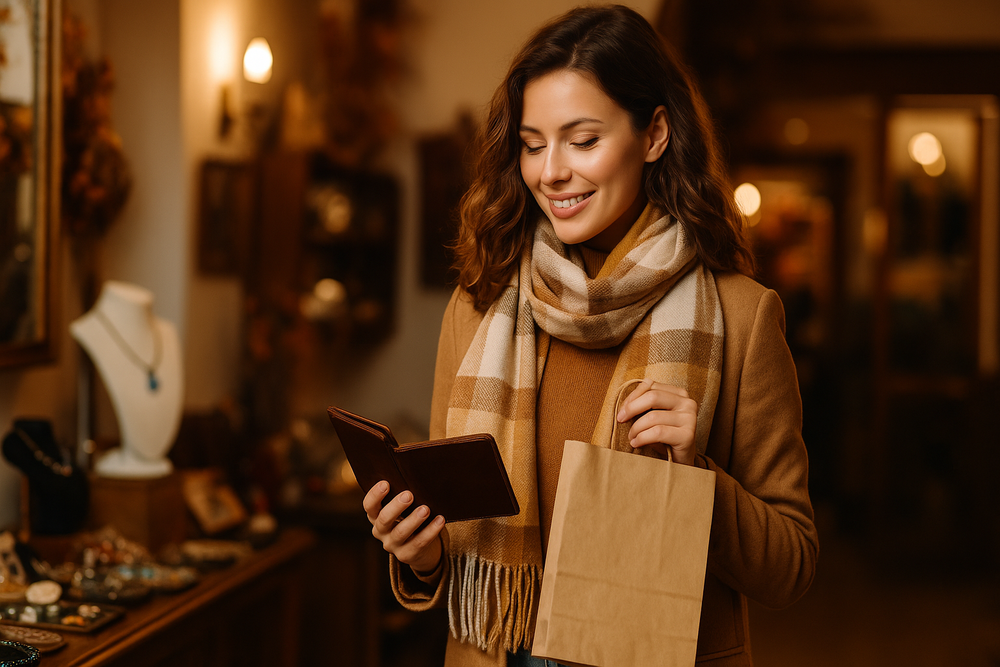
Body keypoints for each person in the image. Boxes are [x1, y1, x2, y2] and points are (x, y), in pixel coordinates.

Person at [362, 5, 818, 666]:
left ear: (655, 133)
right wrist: (421, 550)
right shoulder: (479, 306)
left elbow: (792, 564)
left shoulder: (743, 316)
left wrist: (696, 476)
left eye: (582, 139)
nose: (550, 171)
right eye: (532, 142)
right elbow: (454, 535)